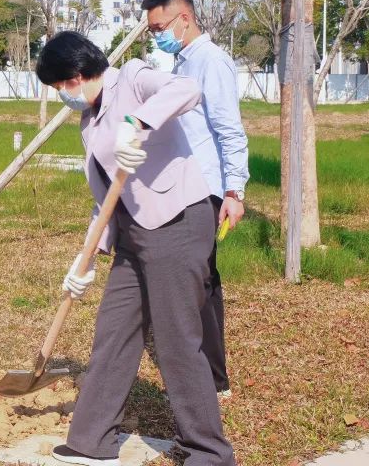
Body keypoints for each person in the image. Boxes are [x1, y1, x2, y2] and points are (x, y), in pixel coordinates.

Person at [35, 32, 235, 466]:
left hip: (177, 224)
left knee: (177, 340)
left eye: (58, 87)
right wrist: (85, 257)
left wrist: (139, 124)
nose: (61, 96)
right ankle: (92, 441)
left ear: (76, 75)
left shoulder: (134, 78)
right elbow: (105, 198)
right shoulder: (89, 121)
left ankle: (210, 453)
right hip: (132, 236)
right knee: (114, 333)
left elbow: (188, 90)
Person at [142, 0, 249, 399]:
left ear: (183, 18)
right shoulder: (181, 64)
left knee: (197, 281)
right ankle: (207, 373)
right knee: (198, 278)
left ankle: (210, 378)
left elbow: (229, 131)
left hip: (205, 189)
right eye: (152, 31)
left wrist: (234, 192)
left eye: (159, 27)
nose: (157, 36)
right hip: (183, 187)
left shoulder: (211, 62)